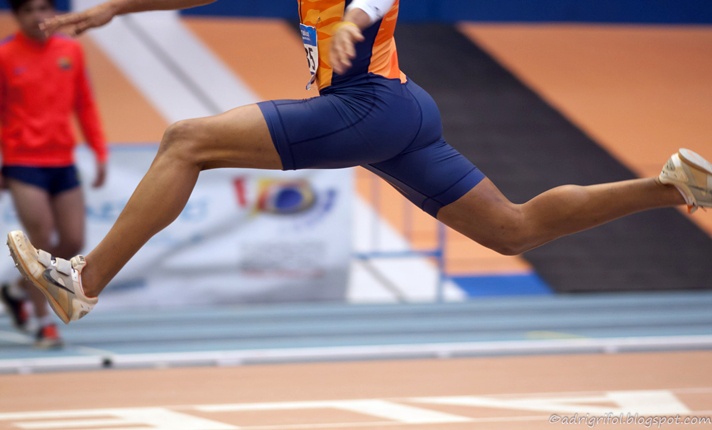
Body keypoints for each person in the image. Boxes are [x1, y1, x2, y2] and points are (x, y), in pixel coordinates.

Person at [5, 0, 711, 325]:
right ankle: (670, 185)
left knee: (187, 139)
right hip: (405, 114)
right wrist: (119, 8)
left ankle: (84, 278)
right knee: (514, 229)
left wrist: (353, 21)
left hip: (368, 105)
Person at [0, 0, 108, 344]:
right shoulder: (4, 56)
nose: (38, 17)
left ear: (54, 12)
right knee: (41, 241)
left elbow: (85, 103)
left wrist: (100, 151)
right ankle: (43, 321)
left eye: (44, 8)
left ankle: (16, 290)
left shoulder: (70, 52)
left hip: (62, 159)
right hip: (22, 160)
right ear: (17, 16)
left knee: (74, 241)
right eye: (29, 10)